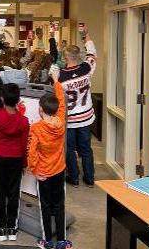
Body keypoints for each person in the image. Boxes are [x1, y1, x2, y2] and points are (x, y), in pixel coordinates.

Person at [0, 63, 30, 242]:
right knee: (14, 192)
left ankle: (1, 227)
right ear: (17, 100)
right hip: (16, 158)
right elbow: (24, 144)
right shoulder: (24, 121)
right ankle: (12, 228)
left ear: (2, 99)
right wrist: (24, 163)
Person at [27, 66, 70, 249]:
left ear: (41, 110)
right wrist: (56, 80)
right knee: (59, 206)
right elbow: (61, 102)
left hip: (43, 173)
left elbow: (31, 152)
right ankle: (61, 241)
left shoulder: (36, 128)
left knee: (44, 206)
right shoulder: (60, 121)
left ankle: (47, 241)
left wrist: (35, 170)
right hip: (59, 170)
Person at [59, 34, 97, 187]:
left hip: (69, 119)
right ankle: (89, 177)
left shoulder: (60, 76)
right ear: (77, 56)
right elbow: (92, 53)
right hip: (86, 117)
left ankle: (74, 177)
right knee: (86, 149)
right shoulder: (87, 68)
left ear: (66, 58)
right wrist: (86, 36)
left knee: (69, 149)